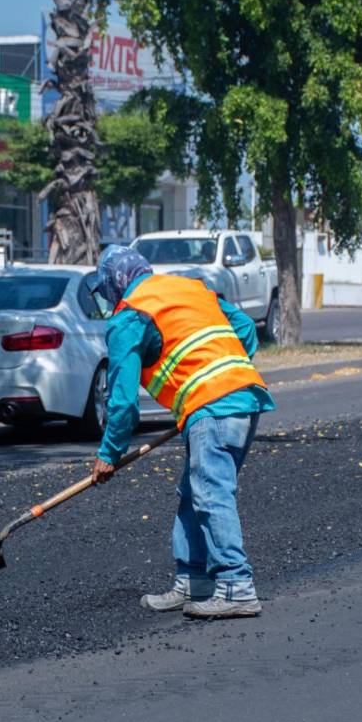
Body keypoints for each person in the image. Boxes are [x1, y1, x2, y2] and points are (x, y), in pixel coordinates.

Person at [89, 244, 274, 618]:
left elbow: (123, 402)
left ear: (113, 284)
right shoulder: (188, 289)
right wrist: (222, 376)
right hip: (242, 398)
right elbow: (244, 332)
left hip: (215, 405)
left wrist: (108, 454)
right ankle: (193, 580)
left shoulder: (128, 315)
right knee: (194, 492)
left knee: (210, 493)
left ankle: (237, 587)